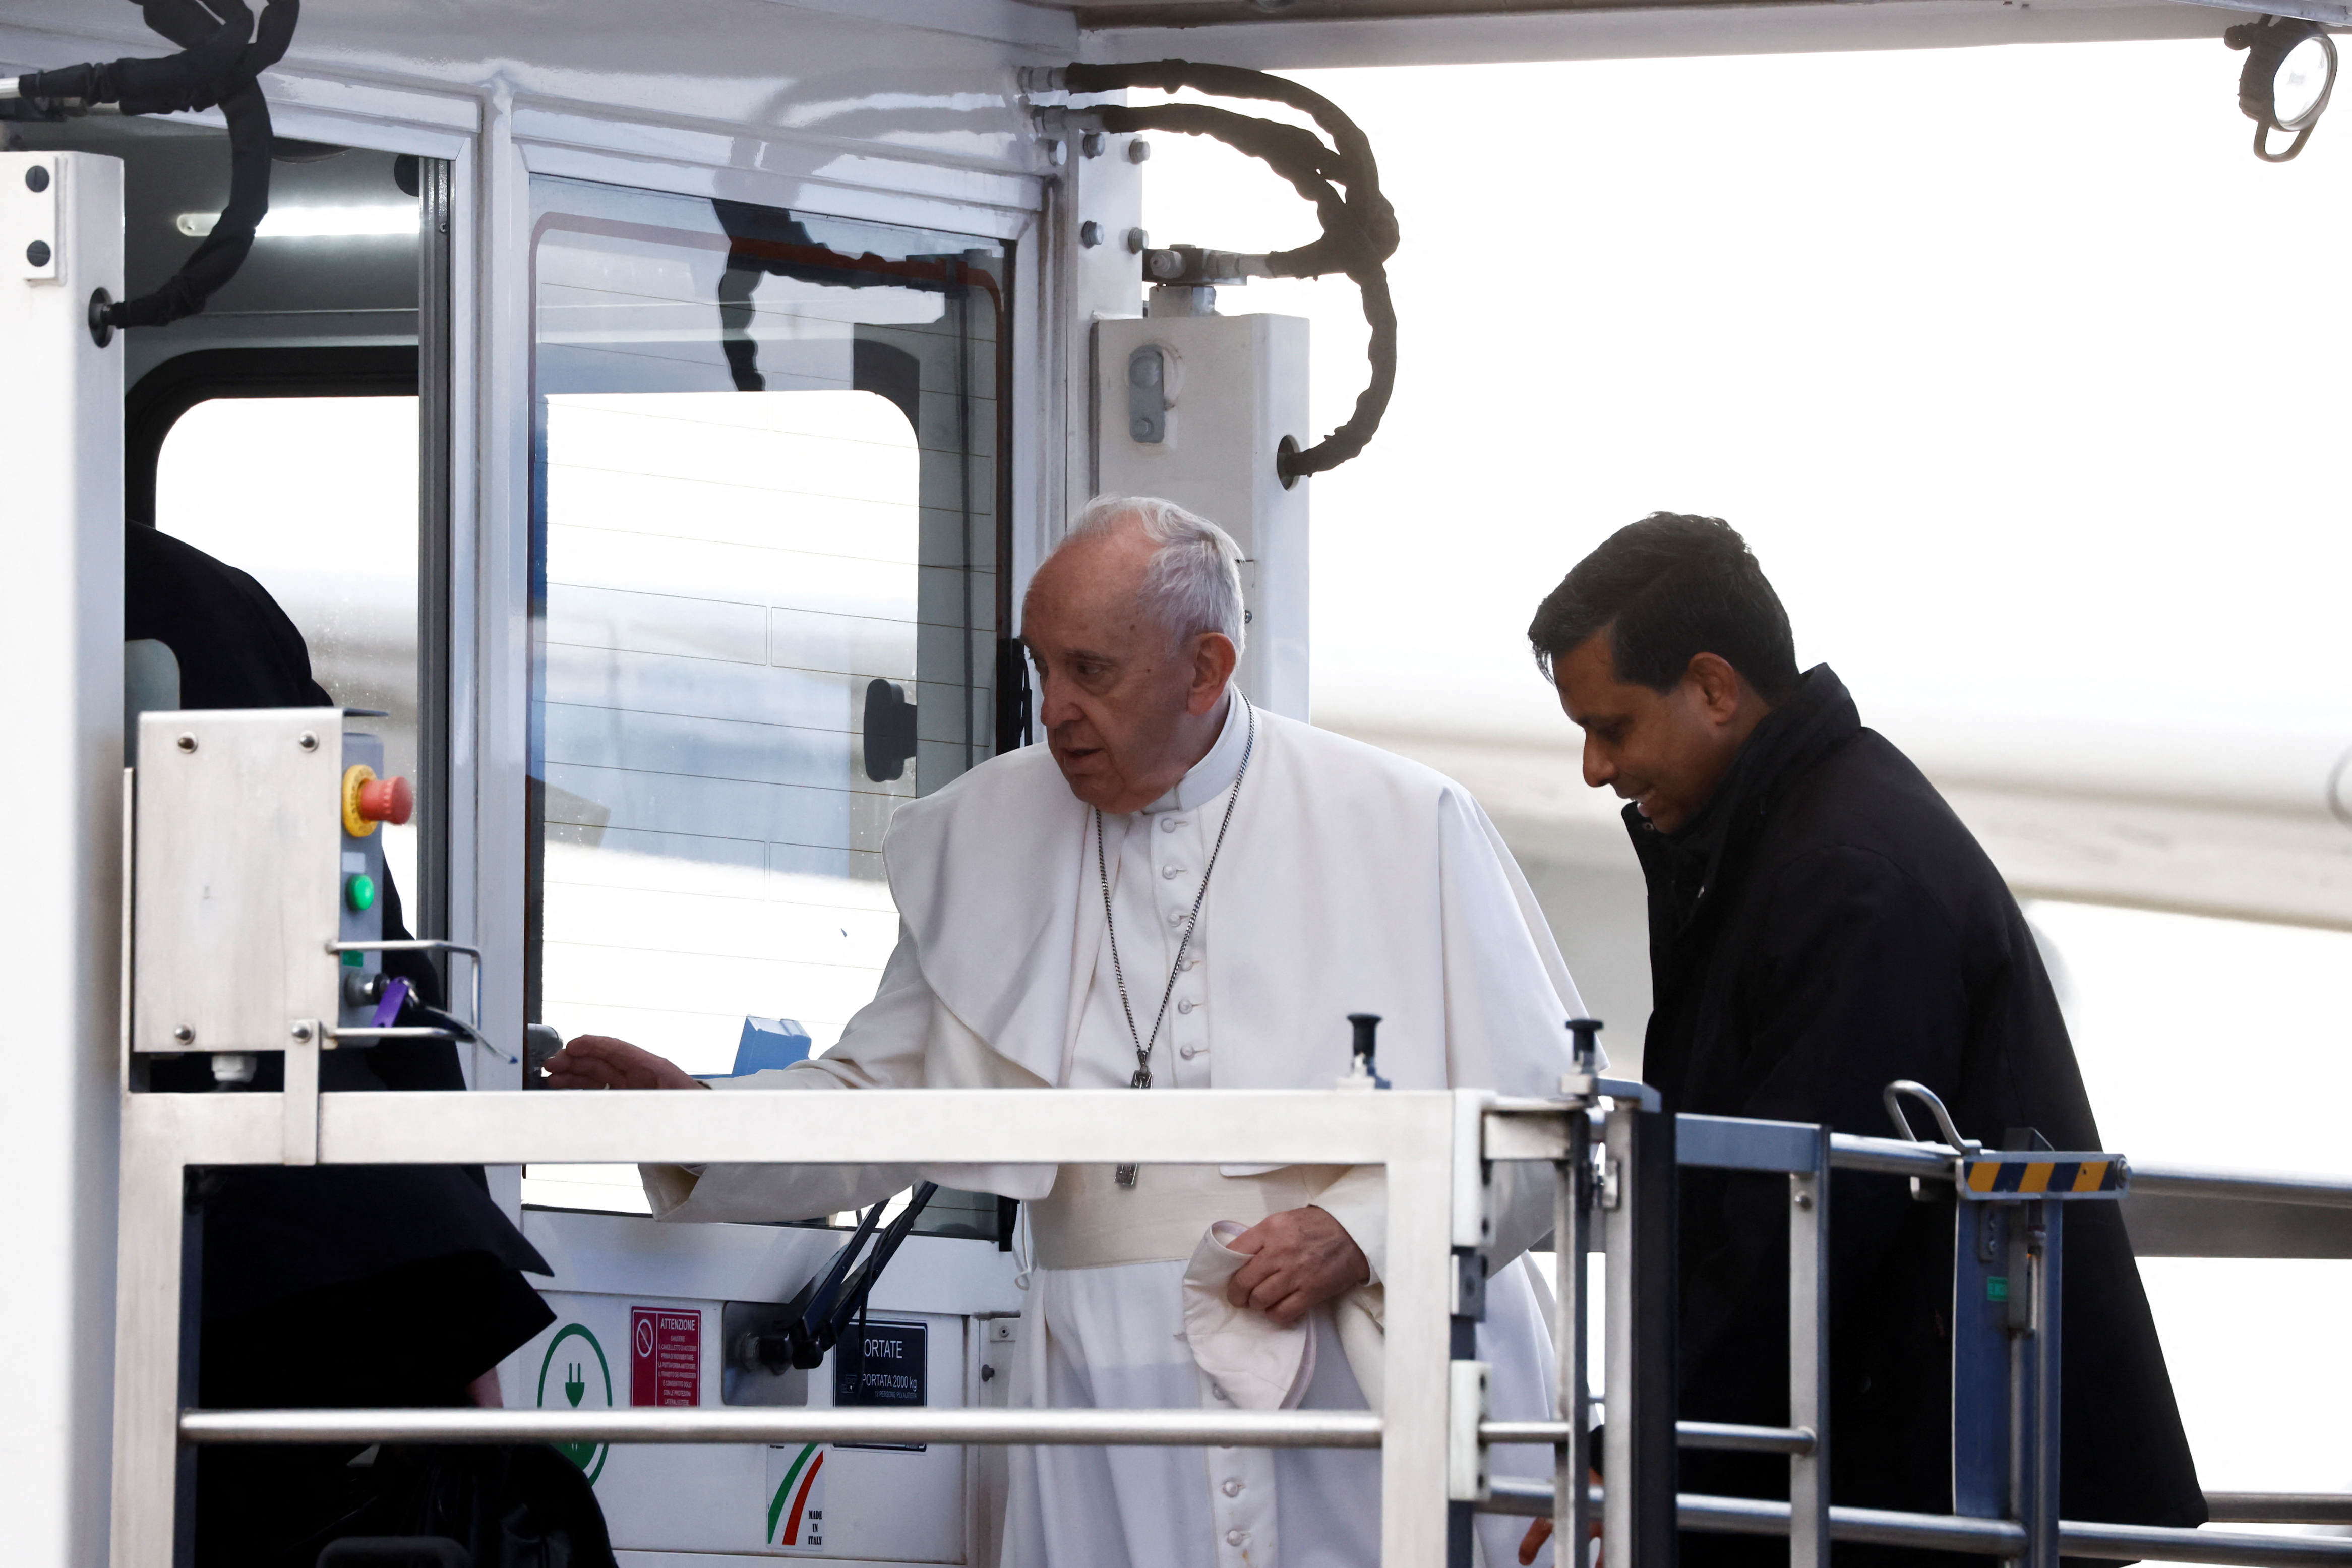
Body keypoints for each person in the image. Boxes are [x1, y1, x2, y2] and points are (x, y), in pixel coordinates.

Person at [547, 495, 1586, 1568]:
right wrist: (699, 1120)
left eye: (1092, 670)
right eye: (1041, 667)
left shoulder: (1405, 821)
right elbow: (877, 1100)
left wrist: (1363, 1226)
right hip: (1104, 1396)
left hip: (1362, 1381)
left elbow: (1546, 1129)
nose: (1054, 709)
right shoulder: (986, 835)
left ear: (1205, 668)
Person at [1515, 513, 2203, 1566]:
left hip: (1935, 1492)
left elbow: (1800, 1217)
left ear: (1711, 687)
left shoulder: (1841, 870)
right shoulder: (1797, 833)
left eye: (1610, 726)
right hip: (1908, 1469)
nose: (1592, 768)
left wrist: (1635, 1454)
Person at [127, 521, 602, 1566]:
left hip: (229, 1270)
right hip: (370, 1249)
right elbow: (386, 980)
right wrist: (459, 1308)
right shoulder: (211, 596)